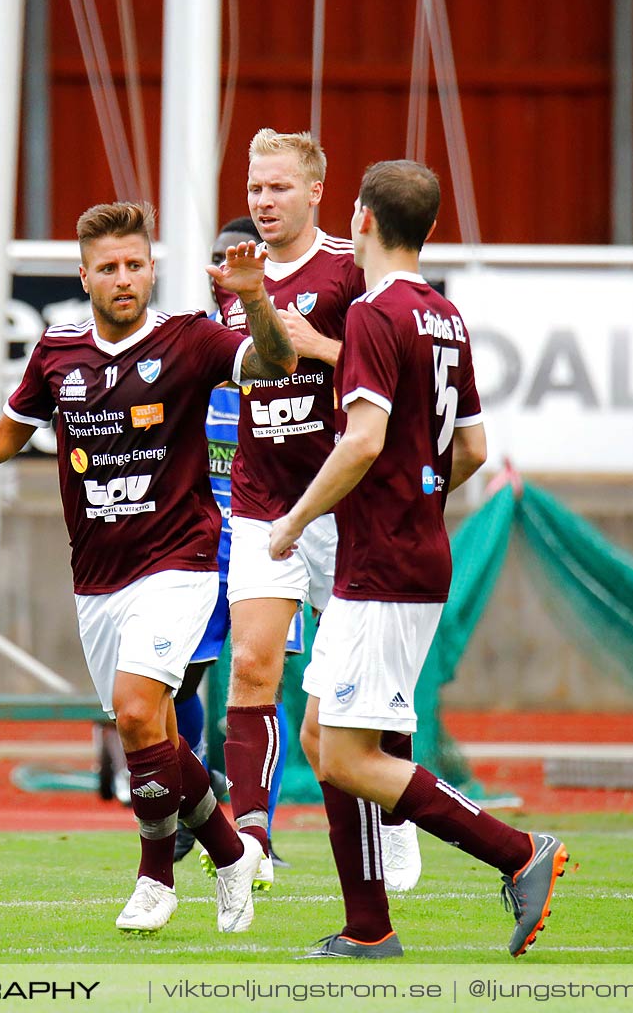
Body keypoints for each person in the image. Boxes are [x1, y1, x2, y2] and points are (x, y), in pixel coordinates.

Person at [0, 200, 297, 935]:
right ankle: (230, 850)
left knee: (134, 710)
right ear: (84, 276)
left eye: (134, 265)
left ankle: (156, 879)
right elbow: (9, 431)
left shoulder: (191, 340)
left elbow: (275, 362)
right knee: (148, 734)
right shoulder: (58, 354)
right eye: (108, 269)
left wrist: (254, 298)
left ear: (152, 269)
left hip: (180, 562)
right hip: (97, 578)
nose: (124, 279)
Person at [270, 160, 568, 959]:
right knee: (320, 739)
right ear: (430, 229)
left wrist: (297, 517)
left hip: (383, 562)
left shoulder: (371, 314)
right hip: (400, 551)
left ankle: (518, 852)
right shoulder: (445, 315)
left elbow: (363, 441)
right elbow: (470, 446)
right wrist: (420, 491)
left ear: (360, 217)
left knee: (348, 756)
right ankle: (368, 927)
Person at [216, 130, 424, 902]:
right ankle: (252, 840)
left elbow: (403, 368)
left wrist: (325, 349)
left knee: (358, 688)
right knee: (251, 664)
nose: (262, 201)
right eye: (253, 187)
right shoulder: (238, 276)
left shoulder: (349, 270)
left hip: (341, 505)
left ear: (314, 194)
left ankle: (396, 815)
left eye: (277, 188)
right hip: (261, 497)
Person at [171, 216, 299, 867]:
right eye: (219, 257)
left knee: (259, 686)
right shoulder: (192, 343)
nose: (227, 267)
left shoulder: (290, 349)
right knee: (172, 686)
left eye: (241, 257)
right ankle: (197, 792)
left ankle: (259, 836)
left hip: (266, 534)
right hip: (195, 542)